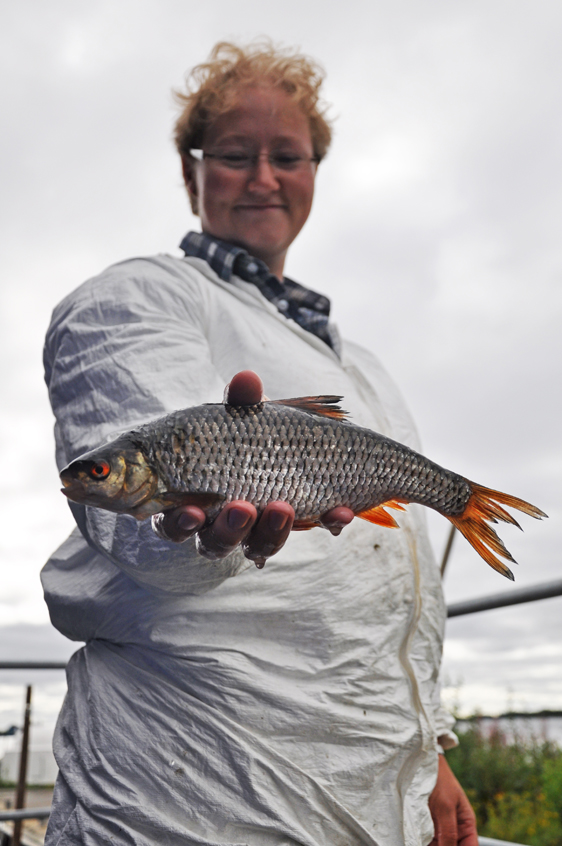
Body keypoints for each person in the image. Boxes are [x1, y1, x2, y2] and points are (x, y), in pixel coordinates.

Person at [42, 41, 478, 846]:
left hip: (374, 791)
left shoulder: (361, 366)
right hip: (190, 789)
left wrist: (431, 748)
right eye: (237, 155)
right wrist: (191, 531)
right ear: (191, 171)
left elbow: (389, 590)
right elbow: (142, 533)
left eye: (288, 156)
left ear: (316, 171)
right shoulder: (134, 296)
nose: (265, 177)